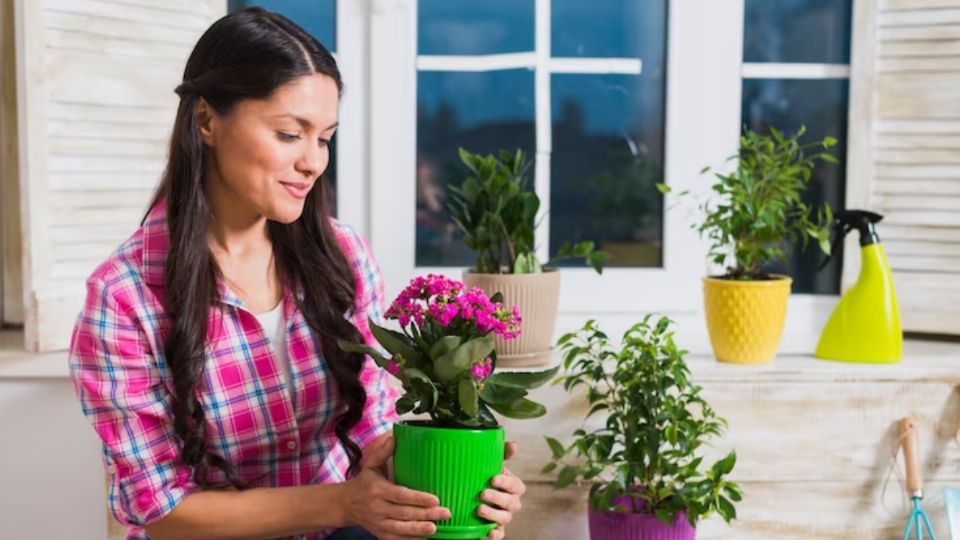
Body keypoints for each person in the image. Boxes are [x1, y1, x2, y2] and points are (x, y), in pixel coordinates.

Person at [68, 8, 525, 540]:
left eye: (325, 138)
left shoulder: (343, 256)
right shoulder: (124, 297)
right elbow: (163, 511)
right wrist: (344, 504)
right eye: (290, 134)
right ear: (206, 121)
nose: (314, 161)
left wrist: (462, 488)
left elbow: (374, 432)